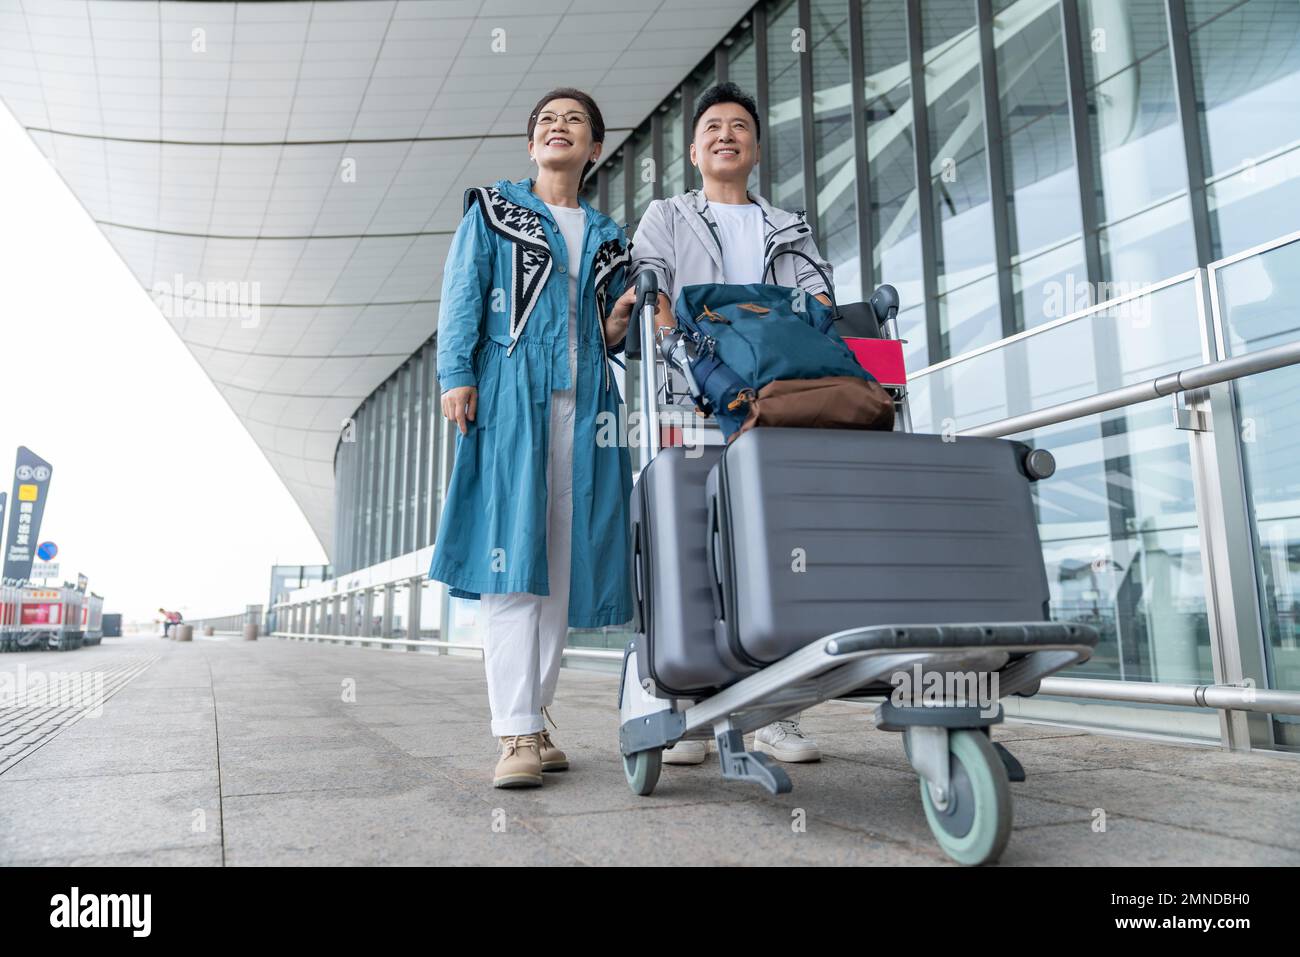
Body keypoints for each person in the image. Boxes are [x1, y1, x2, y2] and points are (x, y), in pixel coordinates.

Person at [429, 88, 637, 789]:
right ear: (531, 144)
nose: (558, 126)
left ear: (594, 148)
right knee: (511, 561)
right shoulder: (495, 211)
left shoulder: (608, 232)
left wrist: (616, 329)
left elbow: (610, 330)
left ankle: (535, 715)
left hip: (588, 408)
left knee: (559, 566)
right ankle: (513, 730)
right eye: (547, 120)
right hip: (512, 395)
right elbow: (463, 290)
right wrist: (457, 371)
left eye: (573, 120)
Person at [631, 82, 830, 766]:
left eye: (738, 126)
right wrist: (683, 358)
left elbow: (822, 300)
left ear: (754, 147)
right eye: (712, 127)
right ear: (694, 149)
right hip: (695, 395)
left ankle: (775, 710)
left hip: (780, 401)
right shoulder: (665, 215)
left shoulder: (789, 225)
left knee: (783, 548)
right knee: (695, 544)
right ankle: (686, 703)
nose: (725, 135)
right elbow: (649, 286)